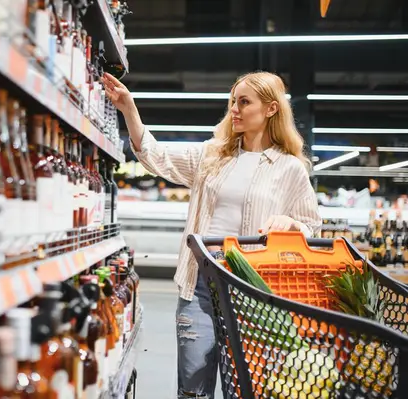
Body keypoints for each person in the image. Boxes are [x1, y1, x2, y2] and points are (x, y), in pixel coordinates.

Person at [101, 71, 321, 398]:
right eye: (233, 101)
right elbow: (156, 157)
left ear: (271, 109)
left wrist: (291, 225)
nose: (234, 108)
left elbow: (311, 225)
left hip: (251, 293)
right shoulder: (211, 155)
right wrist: (129, 109)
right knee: (192, 391)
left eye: (244, 102)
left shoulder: (289, 169)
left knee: (244, 390)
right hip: (200, 286)